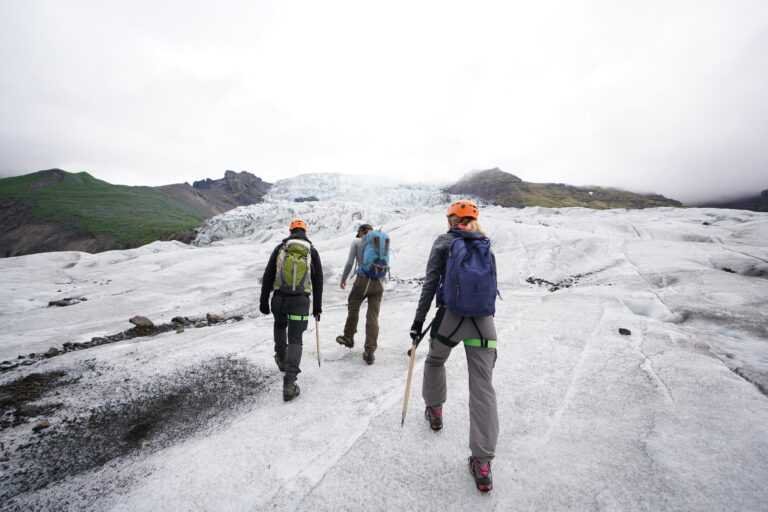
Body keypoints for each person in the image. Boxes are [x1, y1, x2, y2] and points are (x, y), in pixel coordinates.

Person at [409, 199, 499, 492]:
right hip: (483, 324)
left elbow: (429, 284)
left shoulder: (443, 242)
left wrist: (418, 322)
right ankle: (482, 463)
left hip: (452, 320)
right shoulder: (484, 243)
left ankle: (434, 411)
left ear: (450, 220)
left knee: (435, 361)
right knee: (482, 387)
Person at [260, 218, 323, 401]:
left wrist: (264, 301)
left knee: (280, 326)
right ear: (305, 231)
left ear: (290, 231)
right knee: (295, 339)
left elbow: (268, 275)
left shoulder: (281, 248)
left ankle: (281, 358)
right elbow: (318, 281)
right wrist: (317, 307)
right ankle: (289, 383)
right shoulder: (312, 251)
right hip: (300, 302)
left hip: (279, 299)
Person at [335, 223, 385, 365]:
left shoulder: (357, 242)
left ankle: (348, 337)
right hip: (379, 283)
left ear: (361, 232)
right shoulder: (379, 243)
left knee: (353, 306)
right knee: (373, 316)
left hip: (362, 281)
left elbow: (350, 263)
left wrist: (344, 278)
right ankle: (370, 351)